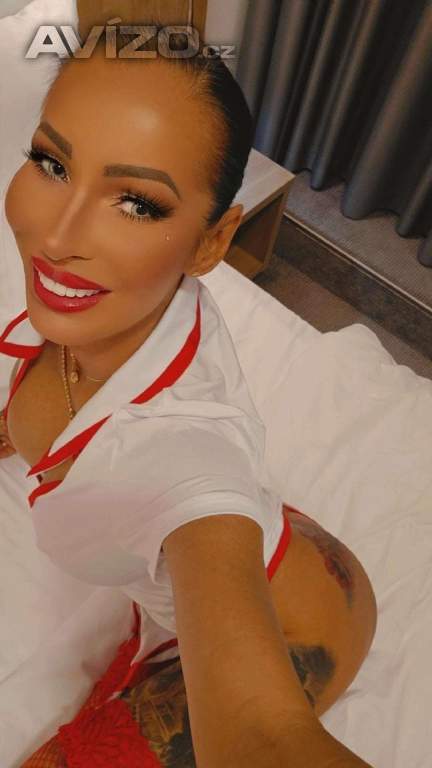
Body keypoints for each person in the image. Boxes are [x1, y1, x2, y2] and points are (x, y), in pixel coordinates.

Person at [0, 28, 377, 768]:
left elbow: (263, 736)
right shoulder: (87, 314)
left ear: (211, 242)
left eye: (137, 203)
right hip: (297, 548)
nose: (57, 236)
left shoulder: (187, 465)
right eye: (52, 163)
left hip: (300, 633)